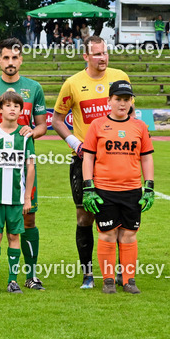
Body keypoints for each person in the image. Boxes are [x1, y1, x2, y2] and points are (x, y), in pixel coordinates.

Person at [0, 38, 49, 290]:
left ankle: (30, 274)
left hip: (21, 168)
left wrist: (28, 134)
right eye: (6, 58)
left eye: (15, 58)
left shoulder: (34, 88)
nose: (10, 62)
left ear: (21, 60)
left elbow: (42, 126)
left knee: (29, 219)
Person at [52, 36, 130, 288]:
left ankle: (120, 273)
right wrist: (75, 144)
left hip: (117, 160)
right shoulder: (73, 83)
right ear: (85, 56)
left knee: (119, 218)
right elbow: (56, 119)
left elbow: (128, 115)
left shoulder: (120, 77)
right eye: (96, 54)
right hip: (84, 162)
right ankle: (88, 274)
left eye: (105, 53)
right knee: (84, 216)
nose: (102, 58)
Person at [81, 80, 154, 294]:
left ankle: (129, 280)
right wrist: (88, 187)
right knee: (107, 233)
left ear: (131, 102)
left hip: (132, 190)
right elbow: (88, 158)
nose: (122, 104)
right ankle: (108, 280)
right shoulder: (97, 125)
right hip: (104, 190)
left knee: (129, 234)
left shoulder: (140, 127)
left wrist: (149, 187)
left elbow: (147, 158)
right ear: (109, 101)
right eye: (118, 99)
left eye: (126, 100)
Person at [0, 90, 35, 295]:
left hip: (17, 197)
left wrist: (27, 196)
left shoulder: (25, 136)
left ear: (21, 111)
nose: (12, 109)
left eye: (16, 106)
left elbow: (31, 168)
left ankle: (12, 281)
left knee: (13, 236)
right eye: (7, 105)